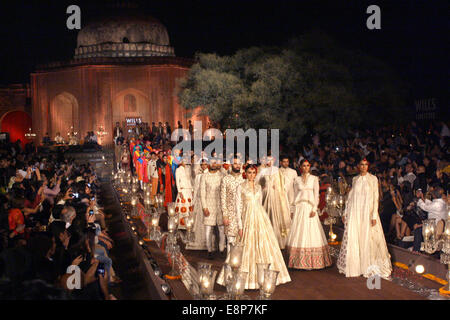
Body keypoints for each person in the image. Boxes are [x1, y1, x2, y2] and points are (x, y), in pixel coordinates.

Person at [217, 164, 291, 289]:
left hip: (260, 218)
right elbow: (237, 208)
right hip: (247, 218)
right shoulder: (240, 187)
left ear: (256, 174)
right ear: (245, 173)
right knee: (245, 246)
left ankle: (262, 278)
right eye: (249, 172)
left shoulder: (258, 187)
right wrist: (240, 226)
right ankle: (241, 279)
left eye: (253, 172)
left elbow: (260, 204)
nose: (251, 175)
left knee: (264, 244)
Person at [337, 158, 392, 279]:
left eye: (365, 165)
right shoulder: (355, 179)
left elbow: (375, 197)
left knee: (369, 238)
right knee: (355, 237)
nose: (363, 167)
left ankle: (368, 266)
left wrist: (373, 215)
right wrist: (345, 212)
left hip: (368, 212)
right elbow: (350, 198)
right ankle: (356, 266)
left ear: (368, 166)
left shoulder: (373, 179)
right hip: (355, 212)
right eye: (361, 165)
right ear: (358, 166)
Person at [286, 159, 332, 269]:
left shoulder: (314, 179)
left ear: (309, 167)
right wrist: (292, 210)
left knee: (311, 232)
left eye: (307, 166)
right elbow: (294, 195)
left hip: (310, 208)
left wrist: (314, 208)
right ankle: (297, 261)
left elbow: (316, 195)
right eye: (304, 166)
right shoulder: (296, 180)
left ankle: (314, 261)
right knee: (299, 231)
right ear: (300, 167)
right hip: (299, 208)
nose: (306, 167)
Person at [260, 156, 292, 249]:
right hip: (266, 197)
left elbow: (283, 185)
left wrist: (277, 188)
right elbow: (259, 184)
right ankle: (267, 242)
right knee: (267, 216)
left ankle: (278, 241)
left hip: (276, 197)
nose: (269, 162)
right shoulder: (263, 172)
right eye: (267, 160)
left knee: (276, 217)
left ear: (274, 161)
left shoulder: (277, 171)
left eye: (271, 160)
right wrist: (264, 188)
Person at [200, 159, 225, 259]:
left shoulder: (221, 176)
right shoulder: (204, 176)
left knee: (222, 229)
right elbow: (202, 193)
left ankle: (222, 250)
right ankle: (209, 250)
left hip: (220, 206)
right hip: (209, 206)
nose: (214, 164)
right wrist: (204, 207)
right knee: (208, 230)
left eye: (215, 162)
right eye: (212, 162)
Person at [220, 156, 245, 255]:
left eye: (239, 163)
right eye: (235, 163)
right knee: (230, 241)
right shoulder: (226, 179)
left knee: (242, 242)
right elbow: (223, 199)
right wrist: (225, 215)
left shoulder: (244, 179)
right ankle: (229, 267)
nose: (237, 165)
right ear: (231, 165)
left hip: (243, 214)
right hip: (230, 214)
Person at [186, 158, 208, 250]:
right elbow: (195, 189)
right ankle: (200, 240)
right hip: (199, 200)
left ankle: (208, 241)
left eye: (205, 164)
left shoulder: (209, 175)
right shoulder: (199, 176)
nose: (203, 166)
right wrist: (193, 202)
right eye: (202, 165)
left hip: (207, 201)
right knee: (199, 220)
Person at [175, 158, 193, 229]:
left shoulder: (188, 169)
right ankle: (182, 224)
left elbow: (190, 180)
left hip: (189, 190)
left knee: (190, 207)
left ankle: (189, 223)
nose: (185, 162)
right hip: (183, 190)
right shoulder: (178, 170)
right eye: (184, 161)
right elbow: (177, 181)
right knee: (183, 206)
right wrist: (179, 191)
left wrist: (192, 189)